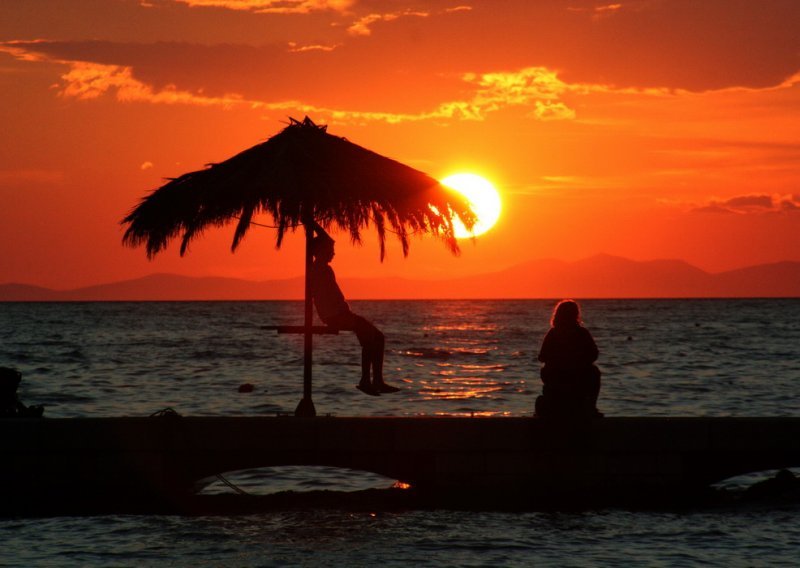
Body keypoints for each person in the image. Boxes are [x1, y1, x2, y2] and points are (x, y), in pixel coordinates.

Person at [309, 226, 400, 397]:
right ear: (321, 250)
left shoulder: (322, 268)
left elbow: (324, 241)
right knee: (369, 334)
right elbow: (325, 239)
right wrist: (313, 224)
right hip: (335, 316)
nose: (333, 253)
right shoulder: (319, 268)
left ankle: (374, 380)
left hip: (340, 314)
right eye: (331, 250)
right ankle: (368, 380)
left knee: (377, 337)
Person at [535, 299, 602, 418]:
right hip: (574, 374)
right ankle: (591, 407)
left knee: (593, 372)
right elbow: (594, 354)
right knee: (594, 372)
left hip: (558, 374)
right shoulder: (581, 333)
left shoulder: (553, 333)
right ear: (576, 315)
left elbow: (542, 356)